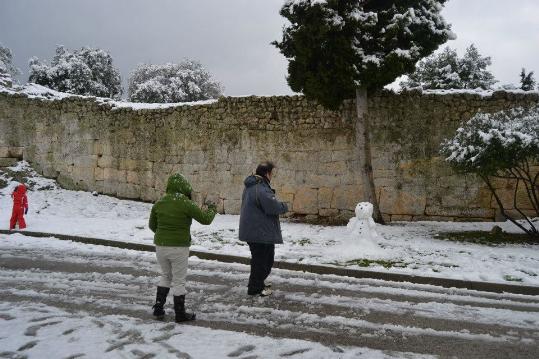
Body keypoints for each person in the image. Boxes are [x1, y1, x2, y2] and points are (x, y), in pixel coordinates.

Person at [149, 173, 216, 322]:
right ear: (184, 187)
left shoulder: (159, 202)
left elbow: (152, 225)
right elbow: (205, 219)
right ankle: (180, 314)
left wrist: (164, 235)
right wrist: (212, 208)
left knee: (166, 276)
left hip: (160, 246)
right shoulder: (185, 203)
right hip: (179, 247)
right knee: (179, 280)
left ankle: (158, 308)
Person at [239, 162, 288, 296]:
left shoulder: (254, 186)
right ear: (267, 173)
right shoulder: (260, 188)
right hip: (259, 232)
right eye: (272, 173)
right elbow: (272, 206)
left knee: (261, 259)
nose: (272, 175)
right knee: (263, 260)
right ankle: (255, 287)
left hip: (257, 230)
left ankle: (257, 283)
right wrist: (284, 206)